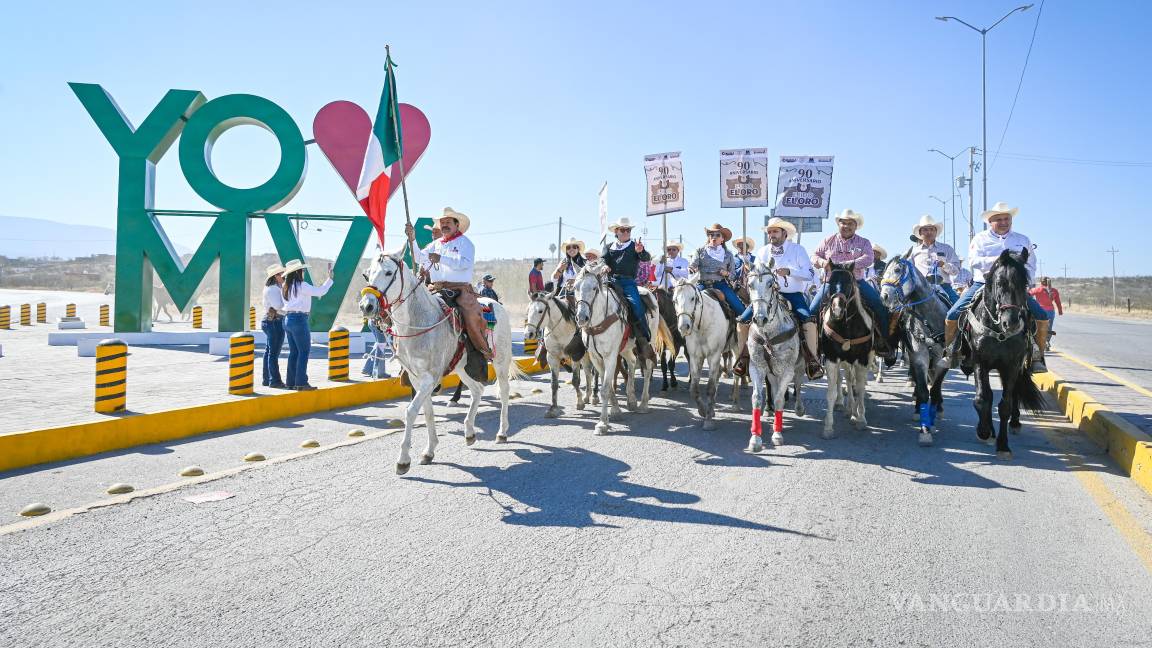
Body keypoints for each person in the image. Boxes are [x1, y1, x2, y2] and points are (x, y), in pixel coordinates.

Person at [944, 202, 1050, 369]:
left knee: (1041, 315)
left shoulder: (1022, 240)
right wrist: (999, 263)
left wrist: (1024, 282)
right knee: (953, 313)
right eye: (998, 219)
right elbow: (974, 260)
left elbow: (1030, 265)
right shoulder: (980, 239)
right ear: (990, 221)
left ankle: (1037, 355)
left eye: (1006, 218)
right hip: (983, 284)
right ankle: (951, 351)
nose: (1003, 222)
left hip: (1014, 287)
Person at [404, 207, 493, 379]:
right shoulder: (435, 244)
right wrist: (412, 239)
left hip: (459, 290)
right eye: (442, 223)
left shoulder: (465, 243)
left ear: (456, 224)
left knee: (470, 317)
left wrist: (441, 258)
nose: (444, 225)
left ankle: (481, 352)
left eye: (448, 222)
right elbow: (419, 258)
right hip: (436, 289)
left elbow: (465, 263)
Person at [737, 217, 823, 379]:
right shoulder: (763, 251)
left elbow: (810, 274)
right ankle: (743, 358)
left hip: (793, 295)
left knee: (808, 321)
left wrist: (790, 272)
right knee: (742, 321)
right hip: (766, 297)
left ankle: (812, 360)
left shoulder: (798, 249)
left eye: (775, 231)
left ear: (785, 233)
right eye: (769, 232)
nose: (771, 235)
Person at [809, 209, 895, 361]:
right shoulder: (828, 241)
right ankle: (814, 347)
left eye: (850, 223)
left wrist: (851, 263)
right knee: (812, 310)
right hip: (832, 282)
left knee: (879, 305)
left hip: (856, 281)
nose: (846, 226)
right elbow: (814, 255)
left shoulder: (864, 242)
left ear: (856, 226)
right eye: (843, 222)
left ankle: (884, 342)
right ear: (838, 224)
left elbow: (869, 258)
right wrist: (823, 262)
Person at [689, 223, 749, 374]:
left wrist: (726, 273)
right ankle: (687, 337)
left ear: (722, 239)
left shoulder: (728, 255)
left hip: (721, 285)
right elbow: (694, 264)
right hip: (703, 285)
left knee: (741, 310)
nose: (713, 237)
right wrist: (692, 268)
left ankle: (742, 340)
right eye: (711, 235)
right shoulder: (700, 251)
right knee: (687, 307)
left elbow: (734, 275)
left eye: (717, 235)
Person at [600, 217, 654, 359]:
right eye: (623, 230)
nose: (626, 232)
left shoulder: (635, 245)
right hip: (610, 281)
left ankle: (643, 339)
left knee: (637, 306)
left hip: (628, 283)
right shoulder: (608, 246)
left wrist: (640, 251)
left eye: (628, 230)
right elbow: (602, 260)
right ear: (616, 231)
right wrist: (604, 265)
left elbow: (646, 258)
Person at [281, 258, 334, 391]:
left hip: (288, 319)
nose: (304, 272)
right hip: (299, 319)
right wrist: (330, 279)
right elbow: (320, 292)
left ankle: (290, 382)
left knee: (294, 352)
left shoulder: (285, 286)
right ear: (298, 272)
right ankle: (301, 382)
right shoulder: (302, 285)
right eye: (303, 270)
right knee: (304, 351)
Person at [909, 215, 962, 302]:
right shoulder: (914, 252)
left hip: (944, 286)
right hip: (920, 288)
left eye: (932, 229)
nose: (929, 232)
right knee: (901, 309)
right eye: (925, 229)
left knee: (959, 309)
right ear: (920, 233)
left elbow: (956, 270)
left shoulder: (946, 248)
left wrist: (944, 265)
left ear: (936, 232)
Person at [260, 263, 287, 389]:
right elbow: (278, 306)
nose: (284, 276)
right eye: (282, 274)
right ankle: (275, 381)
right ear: (276, 276)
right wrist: (290, 306)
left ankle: (267, 379)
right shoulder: (273, 289)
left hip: (271, 320)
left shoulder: (272, 288)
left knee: (269, 352)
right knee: (273, 353)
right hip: (274, 321)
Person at [1029, 277, 1063, 346]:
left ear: (1041, 282)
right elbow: (1058, 302)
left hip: (1040, 311)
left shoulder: (1038, 289)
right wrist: (1060, 311)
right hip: (1051, 312)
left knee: (1038, 327)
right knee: (1049, 327)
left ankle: (1037, 341)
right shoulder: (1054, 291)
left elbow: (1028, 294)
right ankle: (1047, 342)